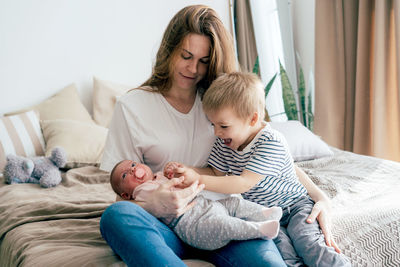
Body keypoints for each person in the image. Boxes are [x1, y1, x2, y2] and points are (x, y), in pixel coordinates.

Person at [99, 4, 330, 267]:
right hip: (166, 223)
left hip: (227, 220)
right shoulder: (132, 107)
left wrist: (320, 197)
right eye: (185, 56)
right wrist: (154, 205)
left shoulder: (222, 103)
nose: (193, 69)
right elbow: (122, 194)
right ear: (169, 50)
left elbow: (271, 154)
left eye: (203, 61)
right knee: (115, 216)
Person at [169, 71, 351, 266]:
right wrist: (188, 170)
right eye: (212, 124)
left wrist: (197, 180)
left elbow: (242, 183)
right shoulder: (224, 142)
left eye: (223, 125)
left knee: (308, 243)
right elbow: (215, 172)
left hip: (295, 206)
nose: (216, 132)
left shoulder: (270, 141)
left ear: (253, 119)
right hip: (267, 212)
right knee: (286, 257)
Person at [109, 159, 282, 250]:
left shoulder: (159, 175)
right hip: (193, 224)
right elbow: (128, 207)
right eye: (125, 175)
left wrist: (174, 171)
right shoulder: (140, 192)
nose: (133, 170)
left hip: (206, 203)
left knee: (234, 203)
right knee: (224, 225)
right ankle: (257, 229)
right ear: (126, 194)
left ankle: (265, 213)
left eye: (133, 164)